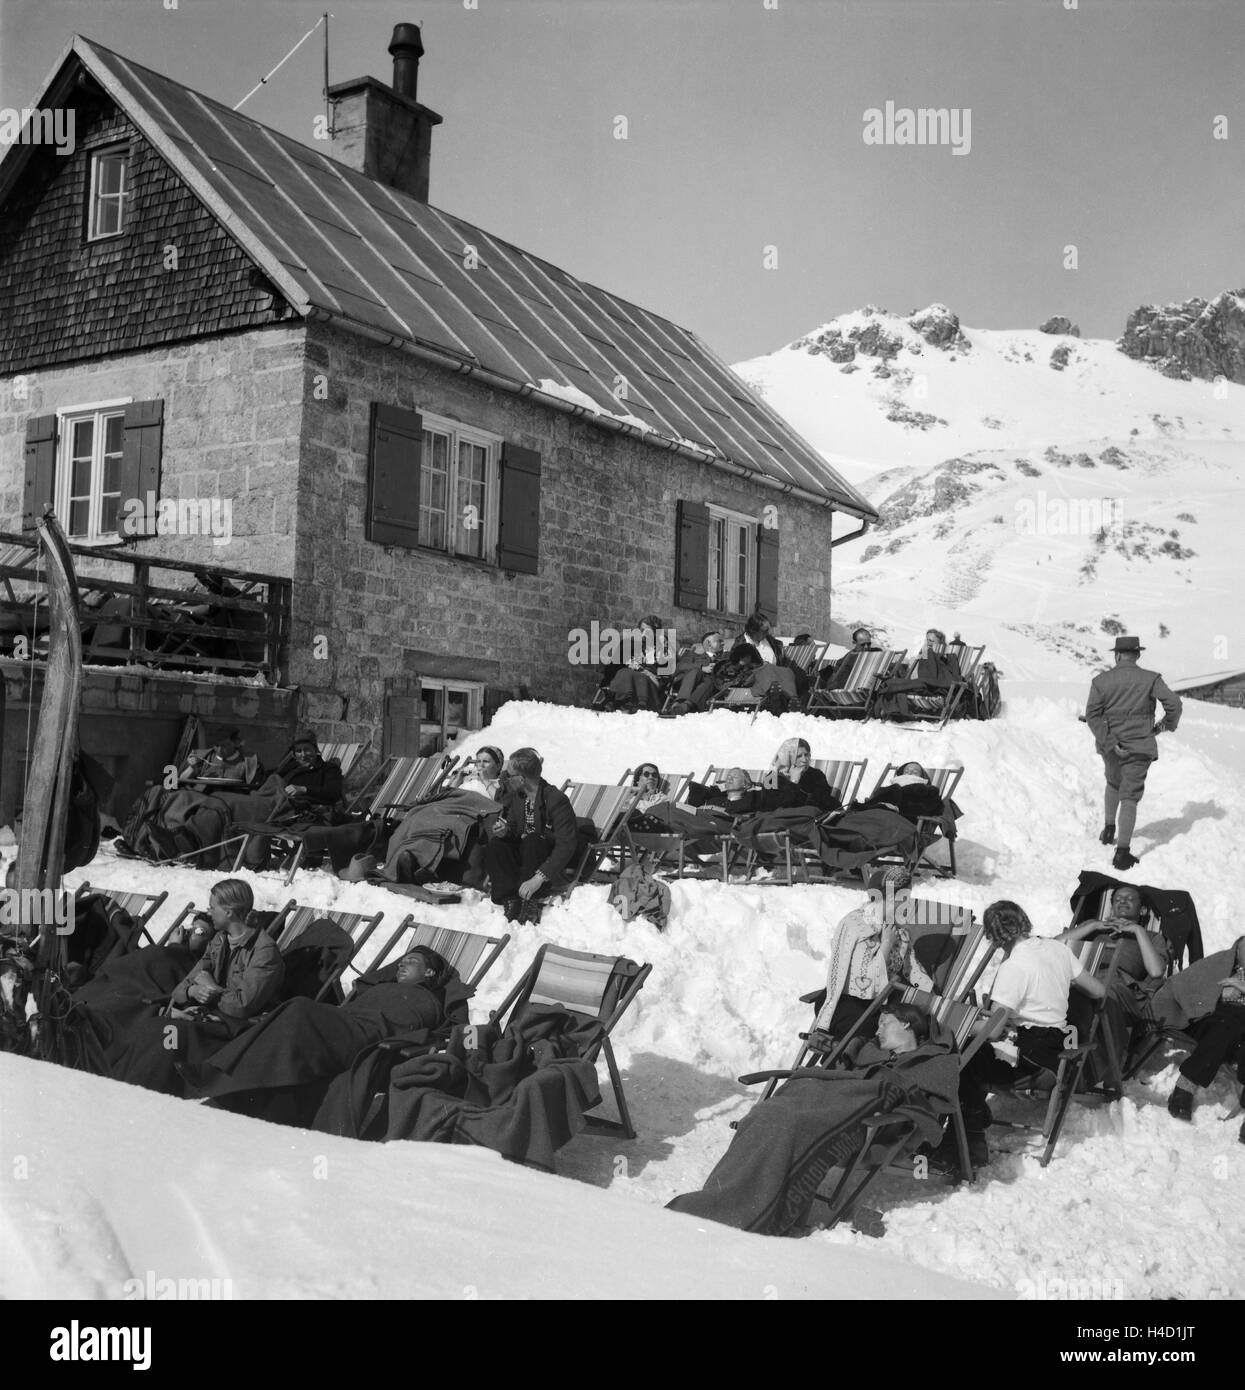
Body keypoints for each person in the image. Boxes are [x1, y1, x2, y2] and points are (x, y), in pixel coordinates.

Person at [666, 1000, 958, 1236]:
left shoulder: (930, 1062)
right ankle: (725, 1196)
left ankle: (755, 1207)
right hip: (831, 1102)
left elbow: (930, 1105)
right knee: (768, 1113)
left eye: (885, 1023)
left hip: (868, 1123)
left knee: (790, 1125)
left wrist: (890, 1089)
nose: (878, 1030)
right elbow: (841, 1073)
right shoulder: (868, 1052)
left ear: (906, 1023)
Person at [183, 945, 466, 1126]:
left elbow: (429, 1029)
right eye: (401, 961)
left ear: (429, 972)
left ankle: (218, 1077)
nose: (402, 965)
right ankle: (233, 1086)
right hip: (345, 1024)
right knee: (294, 1011)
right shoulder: (382, 987)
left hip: (367, 1034)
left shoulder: (429, 1001)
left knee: (299, 1009)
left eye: (412, 961)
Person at [108, 880, 285, 1096]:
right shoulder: (220, 940)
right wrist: (193, 992)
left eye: (212, 907)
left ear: (228, 912)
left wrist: (213, 991)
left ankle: (141, 1095)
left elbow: (242, 1006)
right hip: (207, 1020)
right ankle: (118, 1087)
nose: (208, 911)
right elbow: (181, 990)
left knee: (165, 1036)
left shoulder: (264, 951)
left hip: (238, 1035)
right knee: (151, 1027)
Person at [958, 901, 1106, 1156]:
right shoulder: (1057, 949)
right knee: (975, 1056)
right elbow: (1099, 990)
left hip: (1034, 1066)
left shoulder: (1013, 967)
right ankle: (974, 1120)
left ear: (993, 937)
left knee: (964, 1060)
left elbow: (992, 1031)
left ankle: (968, 1143)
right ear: (1023, 919)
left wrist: (959, 1026)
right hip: (1056, 1056)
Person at [1084, 636, 1182, 870]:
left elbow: (1092, 716)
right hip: (1139, 747)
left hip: (1111, 748)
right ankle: (1122, 853)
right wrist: (1165, 725)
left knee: (1113, 783)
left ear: (1116, 655)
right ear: (1137, 655)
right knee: (1130, 796)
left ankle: (1109, 830)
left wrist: (1109, 741)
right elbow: (1175, 704)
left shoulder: (1100, 681)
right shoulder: (1151, 679)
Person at [1059, 883, 1168, 1089]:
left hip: (1118, 989)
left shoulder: (1152, 937)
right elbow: (1053, 946)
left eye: (1129, 899)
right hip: (1081, 980)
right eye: (1117, 899)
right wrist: (1092, 926)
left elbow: (1155, 971)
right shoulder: (1092, 928)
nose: (1122, 902)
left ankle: (1092, 1069)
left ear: (1142, 910)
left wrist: (1137, 930)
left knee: (1096, 997)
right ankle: (1064, 1060)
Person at [812, 868, 934, 1037]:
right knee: (884, 1032)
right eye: (904, 899)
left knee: (917, 1025)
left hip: (876, 1004)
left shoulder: (898, 929)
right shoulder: (855, 926)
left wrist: (935, 1000)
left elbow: (912, 969)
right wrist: (886, 943)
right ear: (889, 898)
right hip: (845, 1004)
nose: (908, 904)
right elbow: (866, 981)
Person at [484, 748, 581, 923]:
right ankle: (510, 899)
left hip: (545, 864)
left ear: (521, 779)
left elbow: (566, 845)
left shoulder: (556, 799)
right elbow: (514, 828)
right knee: (496, 845)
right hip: (525, 858)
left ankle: (530, 901)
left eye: (508, 775)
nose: (504, 779)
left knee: (534, 840)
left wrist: (539, 878)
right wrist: (505, 831)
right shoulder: (520, 797)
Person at [1164, 936, 1245, 1127]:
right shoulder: (1221, 966)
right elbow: (1194, 986)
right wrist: (1217, 993)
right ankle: (1186, 1085)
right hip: (1213, 1019)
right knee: (1226, 1027)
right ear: (1236, 952)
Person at [603, 616, 671, 712]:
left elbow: (666, 674)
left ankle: (618, 702)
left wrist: (647, 672)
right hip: (628, 679)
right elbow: (613, 667)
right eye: (642, 630)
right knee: (625, 672)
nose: (643, 634)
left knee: (633, 674)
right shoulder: (630, 644)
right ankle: (620, 701)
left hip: (650, 683)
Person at [669, 631, 728, 713]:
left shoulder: (726, 658)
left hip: (712, 687)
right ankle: (680, 702)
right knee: (696, 671)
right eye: (719, 641)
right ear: (709, 644)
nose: (723, 643)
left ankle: (686, 706)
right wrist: (702, 668)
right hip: (688, 684)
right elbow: (680, 666)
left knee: (710, 680)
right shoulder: (694, 655)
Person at [180, 728, 249, 784]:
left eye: (224, 745)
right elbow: (181, 781)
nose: (219, 749)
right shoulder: (203, 757)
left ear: (236, 743)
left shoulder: (247, 762)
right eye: (217, 745)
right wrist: (192, 767)